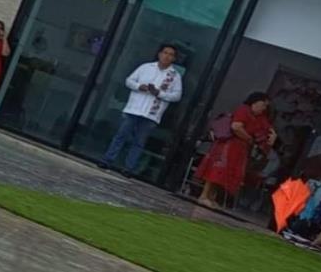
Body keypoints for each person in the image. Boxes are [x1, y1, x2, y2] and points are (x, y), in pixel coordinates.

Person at [98, 44, 183, 177]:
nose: (167, 56)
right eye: (165, 53)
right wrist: (139, 86)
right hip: (134, 109)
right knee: (121, 135)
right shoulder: (146, 67)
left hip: (151, 114)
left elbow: (176, 96)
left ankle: (128, 168)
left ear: (174, 58)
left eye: (170, 54)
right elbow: (129, 81)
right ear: (159, 54)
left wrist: (159, 93)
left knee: (139, 142)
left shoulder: (175, 76)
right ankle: (107, 160)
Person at [196, 92, 276, 209]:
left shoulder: (260, 117)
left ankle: (212, 197)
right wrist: (249, 138)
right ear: (255, 102)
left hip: (240, 149)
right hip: (229, 145)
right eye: (263, 105)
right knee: (217, 170)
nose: (264, 108)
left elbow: (267, 129)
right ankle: (203, 196)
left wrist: (272, 136)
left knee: (225, 173)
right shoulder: (244, 110)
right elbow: (236, 126)